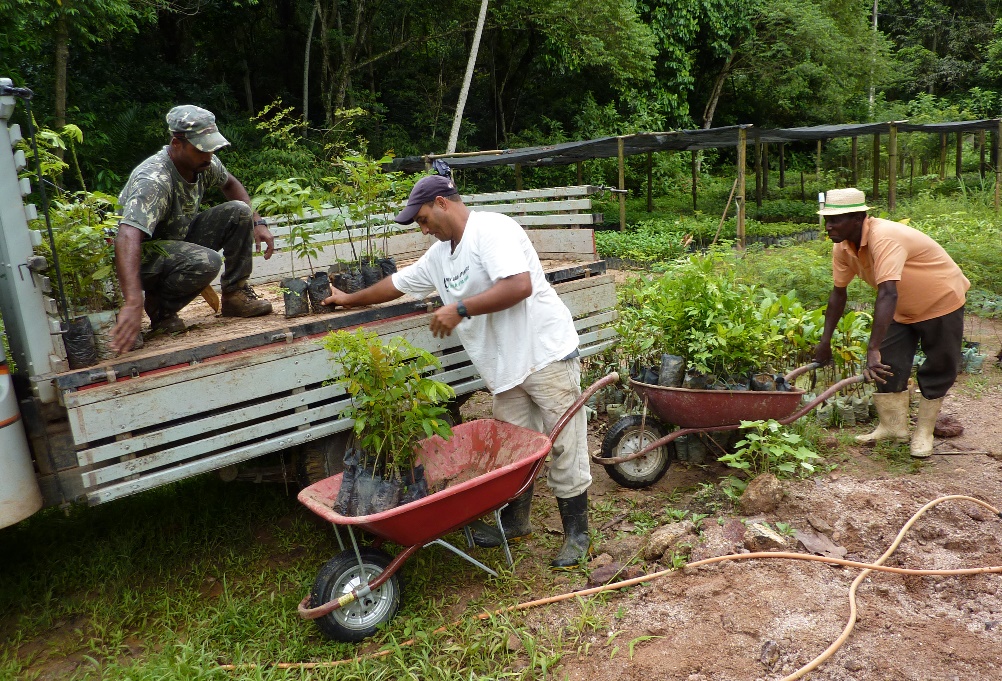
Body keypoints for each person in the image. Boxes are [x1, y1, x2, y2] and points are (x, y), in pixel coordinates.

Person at [322, 174, 592, 568]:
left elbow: (519, 286)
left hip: (543, 353)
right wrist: (349, 299)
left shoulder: (491, 230)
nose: (423, 228)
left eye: (424, 219)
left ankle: (577, 533)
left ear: (443, 203)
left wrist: (459, 308)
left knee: (565, 443)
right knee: (514, 450)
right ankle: (516, 521)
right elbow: (396, 284)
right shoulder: (439, 257)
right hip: (504, 368)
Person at [813, 188, 970, 458]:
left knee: (939, 364)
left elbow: (888, 292)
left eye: (835, 220)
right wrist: (824, 342)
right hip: (901, 309)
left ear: (858, 218)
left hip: (940, 301)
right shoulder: (843, 248)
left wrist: (872, 347)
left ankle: (923, 433)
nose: (828, 226)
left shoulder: (884, 237)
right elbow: (838, 294)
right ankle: (893, 428)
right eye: (826, 219)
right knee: (888, 364)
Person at [109, 105, 274, 354]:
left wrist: (258, 222)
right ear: (177, 143)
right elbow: (127, 236)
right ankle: (160, 310)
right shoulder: (154, 180)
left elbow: (230, 183)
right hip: (138, 258)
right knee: (206, 261)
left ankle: (235, 295)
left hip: (177, 241)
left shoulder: (204, 162)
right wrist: (133, 301)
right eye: (200, 148)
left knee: (240, 211)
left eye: (211, 147)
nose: (208, 155)